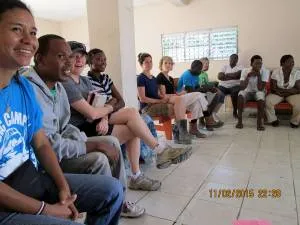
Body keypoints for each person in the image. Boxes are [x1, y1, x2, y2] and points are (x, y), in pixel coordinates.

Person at [0, 1, 123, 225]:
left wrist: (63, 187)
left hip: (30, 178)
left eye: (33, 32)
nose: (29, 40)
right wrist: (45, 210)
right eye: (17, 29)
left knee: (112, 190)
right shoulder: (33, 86)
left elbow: (41, 144)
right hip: (5, 203)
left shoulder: (23, 88)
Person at [26, 35, 144, 218]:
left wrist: (83, 139)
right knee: (98, 159)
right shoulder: (31, 89)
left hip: (71, 138)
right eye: (61, 56)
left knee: (112, 142)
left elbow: (66, 126)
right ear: (40, 59)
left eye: (70, 57)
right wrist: (89, 145)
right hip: (45, 160)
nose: (69, 62)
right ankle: (107, 202)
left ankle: (119, 199)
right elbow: (48, 144)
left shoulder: (57, 86)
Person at [62, 48, 192, 183]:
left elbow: (105, 102)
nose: (79, 60)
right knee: (133, 118)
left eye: (81, 56)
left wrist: (105, 117)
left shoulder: (84, 81)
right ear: (67, 59)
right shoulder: (67, 82)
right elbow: (92, 112)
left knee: (133, 120)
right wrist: (107, 109)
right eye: (74, 56)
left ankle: (139, 173)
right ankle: (157, 153)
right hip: (83, 127)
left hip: (96, 120)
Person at [86, 47, 157, 163]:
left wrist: (110, 106)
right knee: (132, 112)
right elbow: (95, 105)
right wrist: (111, 105)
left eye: (104, 59)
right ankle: (157, 148)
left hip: (110, 113)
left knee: (134, 123)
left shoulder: (106, 78)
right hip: (99, 118)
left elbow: (121, 101)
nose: (103, 62)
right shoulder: (87, 81)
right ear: (89, 62)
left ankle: (136, 173)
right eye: (99, 59)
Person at [137, 53, 193, 144]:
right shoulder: (141, 78)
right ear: (141, 64)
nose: (149, 64)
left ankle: (181, 132)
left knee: (180, 100)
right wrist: (160, 100)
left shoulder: (153, 78)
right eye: (146, 62)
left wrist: (166, 97)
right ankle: (178, 133)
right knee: (176, 105)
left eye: (150, 61)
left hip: (157, 103)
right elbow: (142, 99)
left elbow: (159, 94)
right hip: (147, 108)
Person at [156, 56, 208, 138]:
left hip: (176, 98)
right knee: (198, 94)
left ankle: (193, 129)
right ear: (161, 64)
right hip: (171, 100)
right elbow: (164, 95)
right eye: (165, 63)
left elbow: (174, 92)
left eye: (170, 63)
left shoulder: (170, 78)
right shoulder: (160, 77)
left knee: (197, 103)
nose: (168, 65)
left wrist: (180, 93)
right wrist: (177, 95)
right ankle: (206, 111)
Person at [177, 60, 223, 130]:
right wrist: (203, 89)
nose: (200, 72)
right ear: (194, 68)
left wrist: (208, 89)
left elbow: (197, 88)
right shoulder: (187, 75)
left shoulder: (196, 75)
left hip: (192, 96)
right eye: (199, 69)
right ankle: (209, 121)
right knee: (201, 96)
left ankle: (205, 123)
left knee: (210, 95)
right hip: (182, 96)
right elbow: (189, 91)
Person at [236, 55, 269, 130]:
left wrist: (259, 76)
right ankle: (239, 121)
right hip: (247, 91)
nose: (259, 65)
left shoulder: (265, 71)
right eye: (257, 63)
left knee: (260, 98)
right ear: (251, 64)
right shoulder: (245, 71)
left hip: (259, 91)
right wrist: (248, 77)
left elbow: (260, 88)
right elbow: (242, 87)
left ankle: (259, 123)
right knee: (240, 95)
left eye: (260, 63)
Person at [265, 55, 300, 128]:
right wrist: (280, 92)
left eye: (293, 61)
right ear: (282, 63)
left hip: (291, 94)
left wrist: (286, 92)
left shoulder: (297, 72)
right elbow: (273, 88)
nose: (292, 63)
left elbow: (298, 88)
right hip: (278, 93)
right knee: (267, 101)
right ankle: (273, 120)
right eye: (289, 61)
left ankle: (294, 121)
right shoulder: (276, 72)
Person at [199, 57, 225, 124]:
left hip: (206, 91)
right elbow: (202, 85)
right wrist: (212, 87)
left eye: (208, 63)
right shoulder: (198, 74)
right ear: (200, 64)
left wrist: (213, 83)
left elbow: (207, 84)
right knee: (218, 94)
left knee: (222, 94)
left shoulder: (205, 74)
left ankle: (213, 113)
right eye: (205, 63)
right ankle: (209, 115)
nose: (207, 65)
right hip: (201, 93)